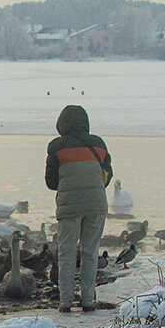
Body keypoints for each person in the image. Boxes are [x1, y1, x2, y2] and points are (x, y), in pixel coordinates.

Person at [45, 104, 113, 312]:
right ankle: (88, 301)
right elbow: (107, 176)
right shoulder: (99, 145)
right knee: (90, 252)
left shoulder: (57, 147)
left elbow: (51, 182)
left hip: (69, 207)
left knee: (65, 253)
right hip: (96, 205)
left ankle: (65, 301)